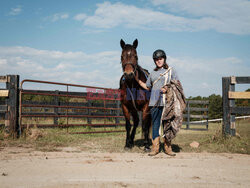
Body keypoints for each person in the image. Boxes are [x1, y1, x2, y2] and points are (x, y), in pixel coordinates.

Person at [136, 49, 185, 156]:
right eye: (156, 59)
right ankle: (155, 148)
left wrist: (168, 88)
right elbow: (148, 87)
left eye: (160, 59)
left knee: (167, 125)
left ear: (164, 59)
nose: (158, 61)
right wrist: (139, 81)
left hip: (167, 102)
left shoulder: (171, 71)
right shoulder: (152, 73)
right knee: (155, 125)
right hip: (154, 103)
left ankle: (168, 148)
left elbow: (177, 85)